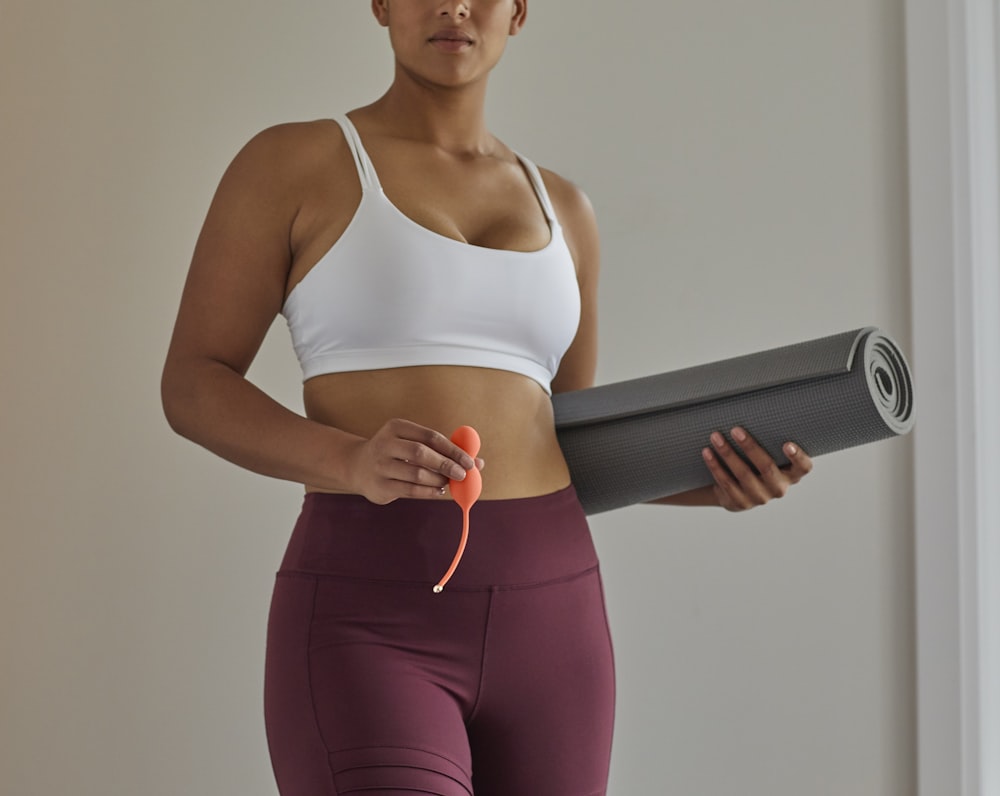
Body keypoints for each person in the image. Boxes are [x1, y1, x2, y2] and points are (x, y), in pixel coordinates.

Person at [161, 2, 814, 794]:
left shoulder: (565, 210)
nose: (454, 7)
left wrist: (708, 480)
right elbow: (194, 382)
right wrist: (348, 458)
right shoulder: (294, 163)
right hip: (369, 618)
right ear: (380, 4)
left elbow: (571, 442)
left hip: (557, 626)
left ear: (519, 11)